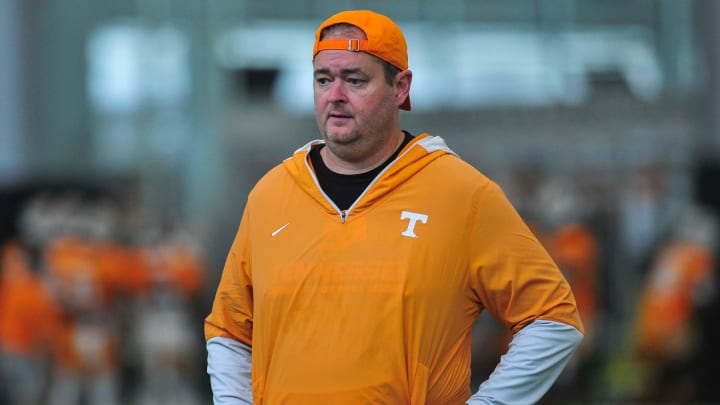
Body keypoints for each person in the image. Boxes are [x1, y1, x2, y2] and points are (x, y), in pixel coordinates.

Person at [205, 9, 584, 404]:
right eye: (323, 80)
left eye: (354, 80)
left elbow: (553, 319)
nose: (335, 95)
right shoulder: (271, 194)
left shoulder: (459, 192)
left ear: (400, 88)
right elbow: (229, 332)